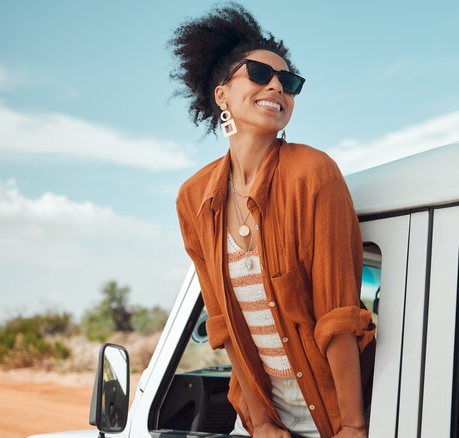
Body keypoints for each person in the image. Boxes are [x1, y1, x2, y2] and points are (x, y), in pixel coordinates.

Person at [170, 4, 375, 437]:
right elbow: (222, 322)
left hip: (331, 414)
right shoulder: (193, 198)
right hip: (261, 416)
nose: (278, 85)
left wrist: (353, 428)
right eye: (260, 74)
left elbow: (338, 314)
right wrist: (260, 423)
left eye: (290, 81)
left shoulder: (314, 174)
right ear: (221, 93)